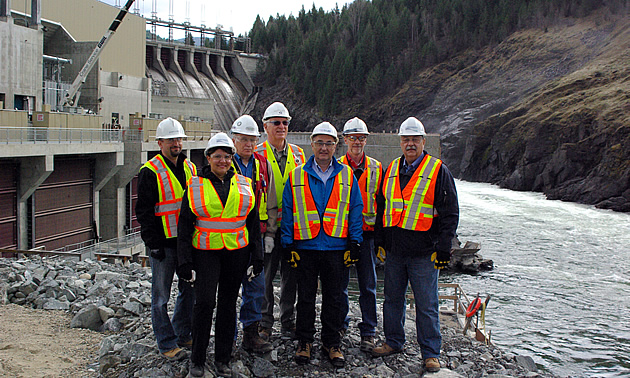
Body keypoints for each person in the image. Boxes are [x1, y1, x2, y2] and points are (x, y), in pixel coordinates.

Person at [371, 117, 459, 373]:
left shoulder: (438, 171)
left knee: (426, 304)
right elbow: (381, 207)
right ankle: (394, 341)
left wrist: (445, 247)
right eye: (406, 140)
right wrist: (380, 242)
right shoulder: (391, 169)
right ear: (400, 142)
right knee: (392, 300)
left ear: (423, 141)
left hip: (424, 252)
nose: (410, 144)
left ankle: (431, 353)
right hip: (396, 251)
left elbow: (449, 211)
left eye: (415, 140)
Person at [177, 133, 263, 377]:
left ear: (232, 158)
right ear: (208, 158)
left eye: (227, 157)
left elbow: (253, 224)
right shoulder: (195, 185)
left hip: (236, 253)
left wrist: (257, 257)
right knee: (204, 303)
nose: (223, 161)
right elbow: (184, 226)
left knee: (228, 305)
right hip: (205, 254)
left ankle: (223, 359)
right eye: (218, 157)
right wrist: (184, 262)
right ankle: (198, 359)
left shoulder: (244, 184)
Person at [281, 122, 363, 368]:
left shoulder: (347, 175)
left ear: (335, 145)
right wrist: (288, 244)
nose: (324, 148)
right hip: (306, 248)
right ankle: (304, 341)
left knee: (334, 298)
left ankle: (331, 342)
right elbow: (288, 210)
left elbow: (355, 209)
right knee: (305, 298)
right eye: (320, 143)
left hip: (337, 248)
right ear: (312, 144)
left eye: (329, 143)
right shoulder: (297, 175)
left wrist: (355, 242)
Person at [135, 117, 196, 361]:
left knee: (188, 291)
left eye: (179, 139)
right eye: (172, 139)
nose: (176, 143)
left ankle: (182, 332)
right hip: (164, 244)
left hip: (187, 243)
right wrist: (153, 244)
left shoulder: (191, 168)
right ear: (160, 142)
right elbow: (144, 212)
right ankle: (166, 342)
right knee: (160, 297)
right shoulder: (150, 171)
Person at [255, 102, 305, 340]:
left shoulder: (298, 154)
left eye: (285, 123)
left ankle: (288, 320)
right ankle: (265, 321)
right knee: (265, 277)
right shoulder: (257, 154)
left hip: (292, 228)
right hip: (268, 228)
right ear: (266, 126)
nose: (281, 127)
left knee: (290, 276)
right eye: (276, 123)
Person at [337, 117, 385, 352]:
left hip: (367, 236)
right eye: (353, 137)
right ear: (345, 139)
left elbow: (383, 204)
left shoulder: (377, 168)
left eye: (361, 138)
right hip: (342, 235)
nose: (357, 142)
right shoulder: (336, 167)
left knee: (368, 285)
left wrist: (382, 239)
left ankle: (368, 331)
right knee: (341, 283)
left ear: (367, 139)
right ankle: (341, 323)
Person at [230, 115, 276, 354]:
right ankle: (227, 336)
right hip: (229, 236)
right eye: (243, 139)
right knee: (228, 287)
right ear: (234, 140)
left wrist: (269, 233)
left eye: (252, 139)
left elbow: (269, 202)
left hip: (255, 236)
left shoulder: (262, 164)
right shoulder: (225, 162)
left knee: (256, 285)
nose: (248, 144)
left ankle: (251, 333)